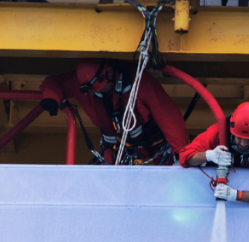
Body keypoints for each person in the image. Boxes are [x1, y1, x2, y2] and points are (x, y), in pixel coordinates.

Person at [39, 58, 189, 164]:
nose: (101, 91)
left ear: (110, 72)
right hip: (116, 150)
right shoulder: (86, 85)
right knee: (106, 182)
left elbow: (168, 116)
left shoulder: (139, 82)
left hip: (154, 144)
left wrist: (182, 153)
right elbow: (56, 82)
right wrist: (51, 97)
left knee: (174, 176)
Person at [179, 101, 249, 205]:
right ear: (231, 129)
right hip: (206, 197)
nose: (243, 144)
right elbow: (184, 157)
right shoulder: (217, 132)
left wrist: (236, 195)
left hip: (247, 208)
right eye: (239, 138)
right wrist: (208, 155)